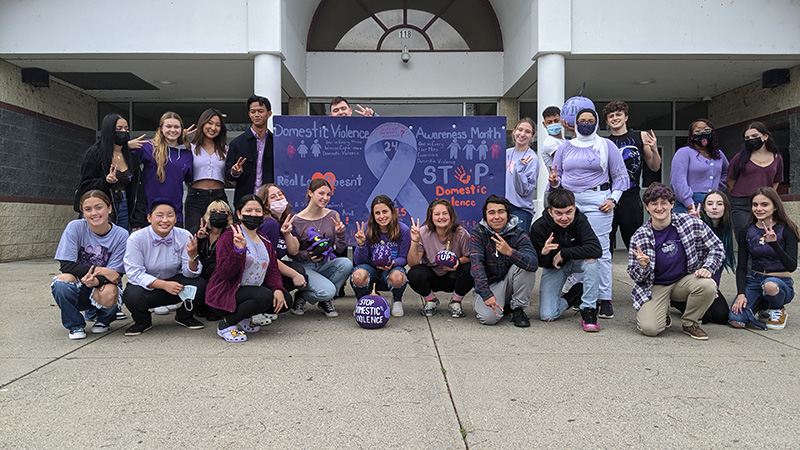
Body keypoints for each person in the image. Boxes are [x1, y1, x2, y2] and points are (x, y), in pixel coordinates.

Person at [549, 107, 628, 320]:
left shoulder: (606, 145)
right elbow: (556, 175)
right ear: (576, 122)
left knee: (600, 249)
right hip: (570, 201)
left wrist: (613, 199)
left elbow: (620, 176)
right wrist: (554, 183)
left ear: (596, 122)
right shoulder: (565, 147)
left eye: (590, 119)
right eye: (582, 119)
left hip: (598, 200)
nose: (586, 123)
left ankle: (604, 298)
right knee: (574, 247)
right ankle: (580, 293)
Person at [628, 183, 724, 340]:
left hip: (684, 280)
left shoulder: (690, 223)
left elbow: (717, 247)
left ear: (671, 204)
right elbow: (637, 278)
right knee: (650, 329)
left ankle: (690, 323)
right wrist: (643, 266)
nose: (659, 208)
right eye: (654, 204)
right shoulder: (639, 237)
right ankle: (662, 312)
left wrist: (708, 267)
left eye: (664, 203)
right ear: (647, 207)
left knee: (708, 285)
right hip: (656, 285)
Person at [206, 195, 290, 342]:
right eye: (249, 210)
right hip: (228, 292)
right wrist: (239, 252)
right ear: (239, 214)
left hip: (251, 291)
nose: (253, 214)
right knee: (264, 296)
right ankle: (227, 324)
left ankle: (244, 316)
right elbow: (224, 273)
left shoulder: (264, 239)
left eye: (258, 211)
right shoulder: (230, 236)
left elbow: (272, 269)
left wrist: (277, 288)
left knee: (285, 300)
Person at [122, 199, 207, 336]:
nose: (165, 220)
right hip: (149, 286)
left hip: (175, 284)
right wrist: (164, 285)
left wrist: (193, 257)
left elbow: (190, 274)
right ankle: (142, 321)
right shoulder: (136, 238)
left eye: (169, 215)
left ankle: (184, 316)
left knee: (200, 284)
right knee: (132, 295)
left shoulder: (184, 235)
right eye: (159, 215)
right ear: (149, 218)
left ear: (175, 219)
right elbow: (134, 273)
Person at [52, 190, 129, 339]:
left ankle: (103, 320)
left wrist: (97, 280)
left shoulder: (121, 235)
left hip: (103, 285)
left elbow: (115, 274)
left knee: (110, 291)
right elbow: (66, 265)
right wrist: (101, 270)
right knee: (62, 282)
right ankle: (75, 326)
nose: (94, 213)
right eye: (88, 209)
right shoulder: (75, 227)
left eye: (99, 207)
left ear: (109, 208)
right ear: (82, 212)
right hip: (79, 285)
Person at [530, 189, 602, 331]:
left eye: (568, 212)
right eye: (558, 213)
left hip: (576, 262)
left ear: (574, 208)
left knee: (592, 261)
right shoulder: (539, 227)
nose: (564, 218)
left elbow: (596, 249)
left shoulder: (580, 219)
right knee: (548, 315)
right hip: (554, 267)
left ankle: (588, 309)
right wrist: (544, 253)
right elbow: (536, 262)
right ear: (550, 212)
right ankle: (575, 294)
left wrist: (564, 253)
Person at [729, 187, 797, 330]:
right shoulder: (747, 231)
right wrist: (741, 294)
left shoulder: (787, 229)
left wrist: (774, 244)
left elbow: (791, 265)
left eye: (764, 204)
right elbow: (741, 266)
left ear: (775, 207)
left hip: (779, 282)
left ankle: (778, 307)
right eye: (755, 204)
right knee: (736, 320)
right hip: (755, 279)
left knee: (769, 285)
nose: (758, 208)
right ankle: (763, 306)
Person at [470, 195, 537, 327]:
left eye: (501, 211)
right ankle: (505, 305)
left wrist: (510, 252)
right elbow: (476, 267)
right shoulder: (478, 233)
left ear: (508, 214)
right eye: (491, 212)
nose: (496, 217)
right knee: (488, 319)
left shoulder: (518, 233)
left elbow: (533, 263)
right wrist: (486, 294)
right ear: (485, 216)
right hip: (491, 285)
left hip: (512, 281)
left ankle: (518, 309)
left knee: (525, 266)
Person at [602, 101, 662, 249]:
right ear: (607, 121)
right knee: (605, 243)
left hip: (631, 196)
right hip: (608, 197)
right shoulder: (603, 142)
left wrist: (654, 149)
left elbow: (654, 166)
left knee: (635, 242)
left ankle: (640, 271)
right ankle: (604, 273)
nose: (615, 118)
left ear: (626, 117)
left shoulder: (640, 136)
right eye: (611, 116)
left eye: (618, 114)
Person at [290, 178, 353, 317]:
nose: (325, 198)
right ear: (310, 193)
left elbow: (341, 248)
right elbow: (292, 254)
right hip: (306, 266)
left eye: (328, 194)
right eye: (321, 193)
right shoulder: (297, 220)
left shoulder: (332, 215)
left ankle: (317, 299)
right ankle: (318, 295)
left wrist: (340, 234)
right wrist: (308, 255)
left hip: (325, 263)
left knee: (346, 264)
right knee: (328, 290)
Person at [671, 191, 735, 324]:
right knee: (704, 317)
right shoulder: (696, 225)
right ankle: (675, 300)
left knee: (721, 316)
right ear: (704, 207)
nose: (714, 207)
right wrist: (694, 222)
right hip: (688, 279)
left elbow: (718, 266)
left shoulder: (725, 231)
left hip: (707, 280)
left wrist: (714, 288)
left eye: (719, 204)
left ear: (726, 207)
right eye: (710, 204)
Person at [75, 113, 147, 231]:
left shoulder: (131, 158)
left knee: (122, 241)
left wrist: (137, 220)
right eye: (119, 129)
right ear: (109, 130)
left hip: (124, 205)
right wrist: (106, 181)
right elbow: (85, 185)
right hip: (101, 207)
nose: (123, 132)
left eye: (126, 129)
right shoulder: (95, 154)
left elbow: (138, 191)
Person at [407, 199, 473, 318]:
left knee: (470, 269)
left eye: (445, 213)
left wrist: (458, 262)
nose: (441, 217)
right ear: (431, 217)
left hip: (452, 276)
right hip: (432, 275)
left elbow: (470, 257)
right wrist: (415, 241)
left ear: (451, 215)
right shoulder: (423, 232)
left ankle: (455, 302)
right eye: (437, 214)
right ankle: (430, 300)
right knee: (414, 273)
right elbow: (413, 263)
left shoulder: (461, 233)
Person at [351, 195, 411, 317]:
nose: (382, 216)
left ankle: (397, 300)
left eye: (385, 211)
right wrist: (361, 245)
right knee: (358, 276)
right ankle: (362, 301)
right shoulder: (366, 229)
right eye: (377, 213)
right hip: (371, 269)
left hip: (391, 269)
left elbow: (404, 258)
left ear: (392, 211)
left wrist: (392, 263)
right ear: (373, 215)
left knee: (398, 277)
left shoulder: (403, 230)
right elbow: (359, 261)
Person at [131, 112, 194, 227]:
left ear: (181, 129)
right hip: (150, 212)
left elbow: (190, 179)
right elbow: (123, 160)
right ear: (161, 128)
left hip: (175, 213)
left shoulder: (187, 153)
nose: (172, 130)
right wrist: (126, 145)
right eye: (168, 126)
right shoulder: (148, 147)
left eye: (176, 127)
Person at [727, 122, 784, 237]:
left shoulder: (777, 158)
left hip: (764, 204)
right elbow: (730, 180)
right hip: (741, 204)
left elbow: (776, 181)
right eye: (747, 138)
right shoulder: (739, 158)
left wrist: (768, 196)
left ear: (765, 136)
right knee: (745, 237)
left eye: (754, 136)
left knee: (763, 237)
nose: (751, 139)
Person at [256, 183, 307, 310]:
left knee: (300, 271)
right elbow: (268, 258)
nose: (279, 198)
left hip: (271, 267)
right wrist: (294, 275)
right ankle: (262, 302)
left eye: (280, 194)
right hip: (260, 269)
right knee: (296, 276)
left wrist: (287, 234)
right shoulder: (269, 223)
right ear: (266, 204)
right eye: (273, 197)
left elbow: (294, 251)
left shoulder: (285, 220)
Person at [184, 108, 229, 232]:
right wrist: (179, 139)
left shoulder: (226, 150)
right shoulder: (190, 148)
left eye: (217, 125)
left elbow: (230, 174)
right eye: (210, 123)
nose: (213, 128)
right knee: (194, 233)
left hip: (219, 196)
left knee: (221, 234)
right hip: (195, 197)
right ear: (202, 124)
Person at [670, 118, 729, 214]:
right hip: (688, 204)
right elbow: (678, 181)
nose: (702, 133)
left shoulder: (718, 154)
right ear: (692, 136)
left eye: (707, 130)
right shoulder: (684, 152)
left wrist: (717, 187)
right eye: (698, 131)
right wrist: (689, 203)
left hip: (712, 203)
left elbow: (727, 172)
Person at [225, 95, 274, 207]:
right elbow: (228, 175)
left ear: (269, 113)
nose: (256, 115)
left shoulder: (276, 142)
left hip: (270, 202)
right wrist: (234, 173)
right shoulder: (237, 143)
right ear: (249, 114)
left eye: (260, 111)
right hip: (244, 201)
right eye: (253, 112)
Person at [191, 200, 233, 321]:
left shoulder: (231, 233)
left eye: (222, 212)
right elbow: (190, 253)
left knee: (213, 268)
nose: (218, 214)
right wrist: (199, 239)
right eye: (213, 211)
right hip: (200, 270)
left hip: (219, 273)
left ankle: (214, 306)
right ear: (207, 215)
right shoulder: (197, 230)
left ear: (229, 215)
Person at [505, 117, 539, 234]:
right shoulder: (507, 153)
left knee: (518, 248)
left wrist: (518, 170)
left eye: (528, 132)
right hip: (503, 208)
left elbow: (524, 190)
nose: (522, 134)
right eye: (520, 130)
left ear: (532, 136)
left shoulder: (532, 158)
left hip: (520, 210)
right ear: (514, 131)